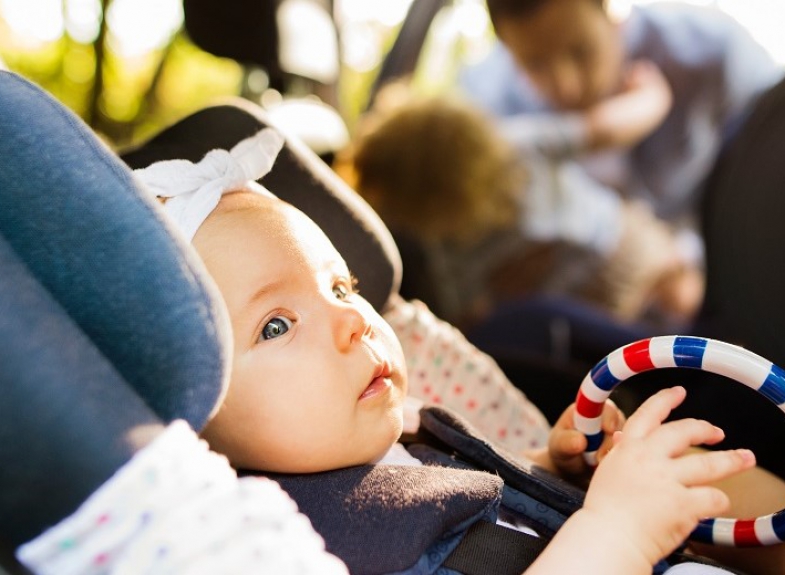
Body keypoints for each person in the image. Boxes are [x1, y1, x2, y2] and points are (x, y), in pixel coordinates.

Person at [133, 128, 785, 575]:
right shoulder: (301, 545)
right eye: (275, 325)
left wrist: (552, 467)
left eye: (340, 285)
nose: (350, 321)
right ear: (190, 416)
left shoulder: (402, 431)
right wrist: (620, 526)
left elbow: (478, 495)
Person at [459, 0, 784, 271]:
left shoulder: (709, 52)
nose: (566, 85)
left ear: (611, 11)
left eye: (580, 51)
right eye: (534, 64)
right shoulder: (486, 109)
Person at [346, 90, 703, 331]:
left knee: (650, 324)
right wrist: (652, 95)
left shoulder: (448, 242)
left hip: (590, 292)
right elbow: (603, 128)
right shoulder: (515, 146)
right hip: (615, 246)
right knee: (686, 301)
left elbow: (467, 315)